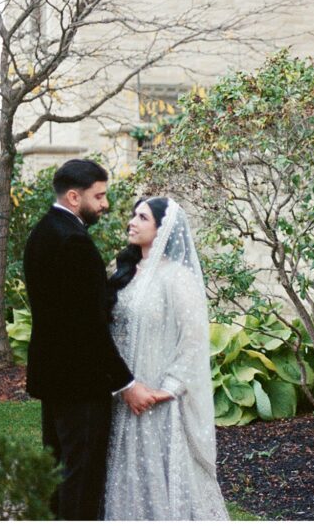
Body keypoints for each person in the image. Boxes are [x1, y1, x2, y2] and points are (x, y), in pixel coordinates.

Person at [23, 159, 171, 520]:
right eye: (99, 196)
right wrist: (127, 383)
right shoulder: (74, 242)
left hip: (53, 378)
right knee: (82, 478)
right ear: (75, 197)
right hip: (80, 384)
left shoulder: (43, 231)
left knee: (58, 472)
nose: (105, 205)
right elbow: (88, 327)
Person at [103, 196, 229, 520]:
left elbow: (194, 338)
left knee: (161, 473)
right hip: (123, 391)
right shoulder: (123, 271)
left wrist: (169, 387)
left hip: (158, 398)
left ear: (163, 229)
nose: (132, 222)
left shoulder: (177, 277)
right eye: (133, 215)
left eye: (142, 218)